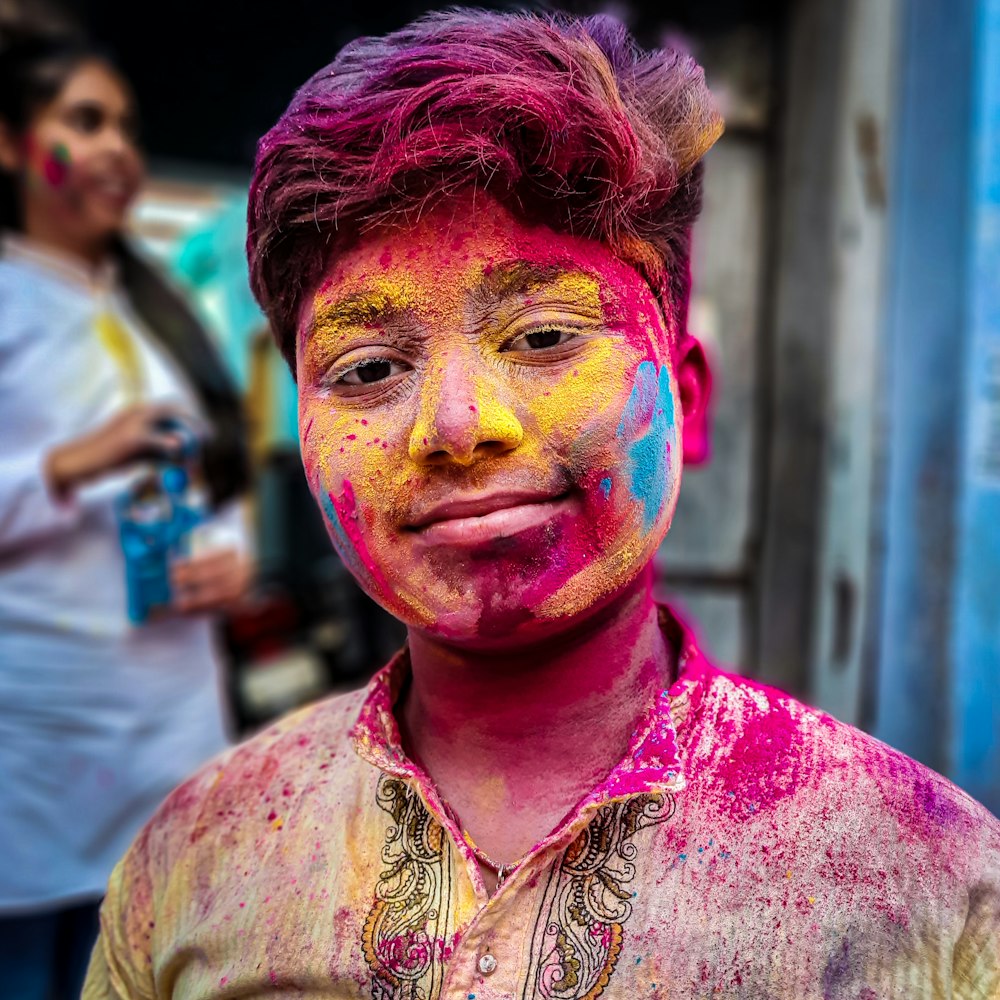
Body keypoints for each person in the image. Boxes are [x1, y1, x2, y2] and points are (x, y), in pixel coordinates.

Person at [84, 10, 1000, 999]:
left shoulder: (930, 887)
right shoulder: (192, 862)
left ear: (683, 399)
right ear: (303, 438)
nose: (457, 423)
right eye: (371, 365)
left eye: (542, 337)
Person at [0, 9, 252, 998]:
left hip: (173, 741)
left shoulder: (155, 307)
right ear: (13, 142)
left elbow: (208, 471)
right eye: (87, 120)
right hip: (35, 763)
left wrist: (229, 551)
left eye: (128, 128)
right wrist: (65, 467)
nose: (117, 149)